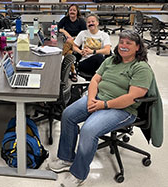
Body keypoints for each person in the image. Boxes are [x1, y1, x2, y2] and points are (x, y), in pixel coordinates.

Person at [48, 30, 153, 187]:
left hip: (122, 109)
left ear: (138, 47)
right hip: (98, 99)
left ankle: (78, 174)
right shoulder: (111, 60)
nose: (123, 46)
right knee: (68, 114)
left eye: (128, 43)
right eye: (122, 42)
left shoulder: (141, 68)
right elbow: (95, 81)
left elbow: (132, 97)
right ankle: (66, 158)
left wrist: (104, 105)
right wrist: (91, 99)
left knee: (88, 130)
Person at [58, 4, 87, 82]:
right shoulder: (65, 19)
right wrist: (66, 33)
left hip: (78, 41)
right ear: (68, 11)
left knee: (69, 43)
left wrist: (73, 38)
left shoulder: (81, 21)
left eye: (74, 10)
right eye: (71, 10)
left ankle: (60, 55)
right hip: (69, 40)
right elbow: (58, 28)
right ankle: (73, 72)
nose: (72, 12)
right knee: (69, 54)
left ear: (77, 12)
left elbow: (85, 33)